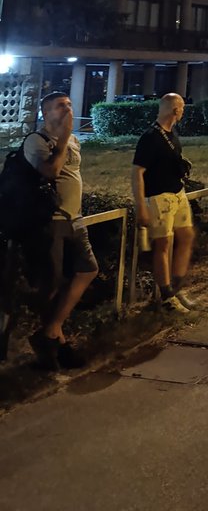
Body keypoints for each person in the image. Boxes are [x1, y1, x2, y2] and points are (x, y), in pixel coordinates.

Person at [23, 92, 99, 369]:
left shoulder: (74, 140)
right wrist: (64, 137)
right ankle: (57, 345)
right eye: (59, 106)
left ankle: (51, 331)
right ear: (46, 113)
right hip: (51, 221)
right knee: (52, 284)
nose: (67, 108)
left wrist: (68, 138)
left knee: (88, 269)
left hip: (75, 218)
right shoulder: (36, 141)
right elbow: (51, 171)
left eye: (69, 104)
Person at [132, 93, 196, 313]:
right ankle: (167, 296)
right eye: (182, 108)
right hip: (159, 196)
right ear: (175, 110)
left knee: (186, 236)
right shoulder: (150, 137)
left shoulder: (171, 133)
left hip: (177, 193)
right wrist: (141, 205)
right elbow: (137, 172)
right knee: (163, 245)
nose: (183, 112)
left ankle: (176, 287)